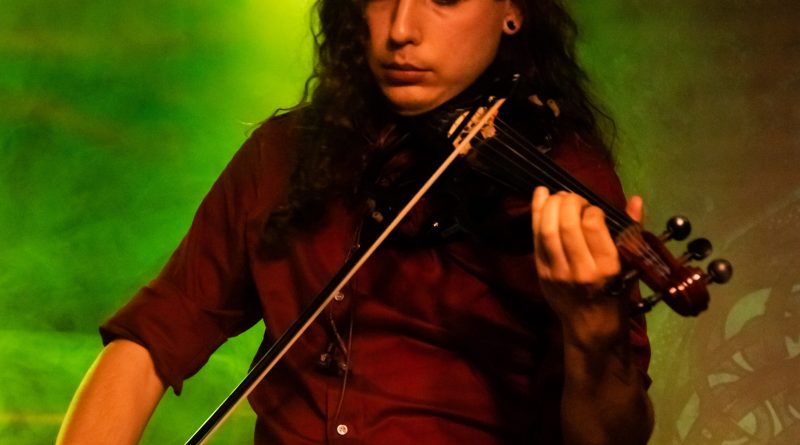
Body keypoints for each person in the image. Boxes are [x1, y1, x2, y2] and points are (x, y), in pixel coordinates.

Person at [58, 0, 654, 444]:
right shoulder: (285, 154)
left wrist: (593, 331)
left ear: (512, 12)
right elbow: (149, 344)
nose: (400, 30)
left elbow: (611, 439)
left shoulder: (560, 178)